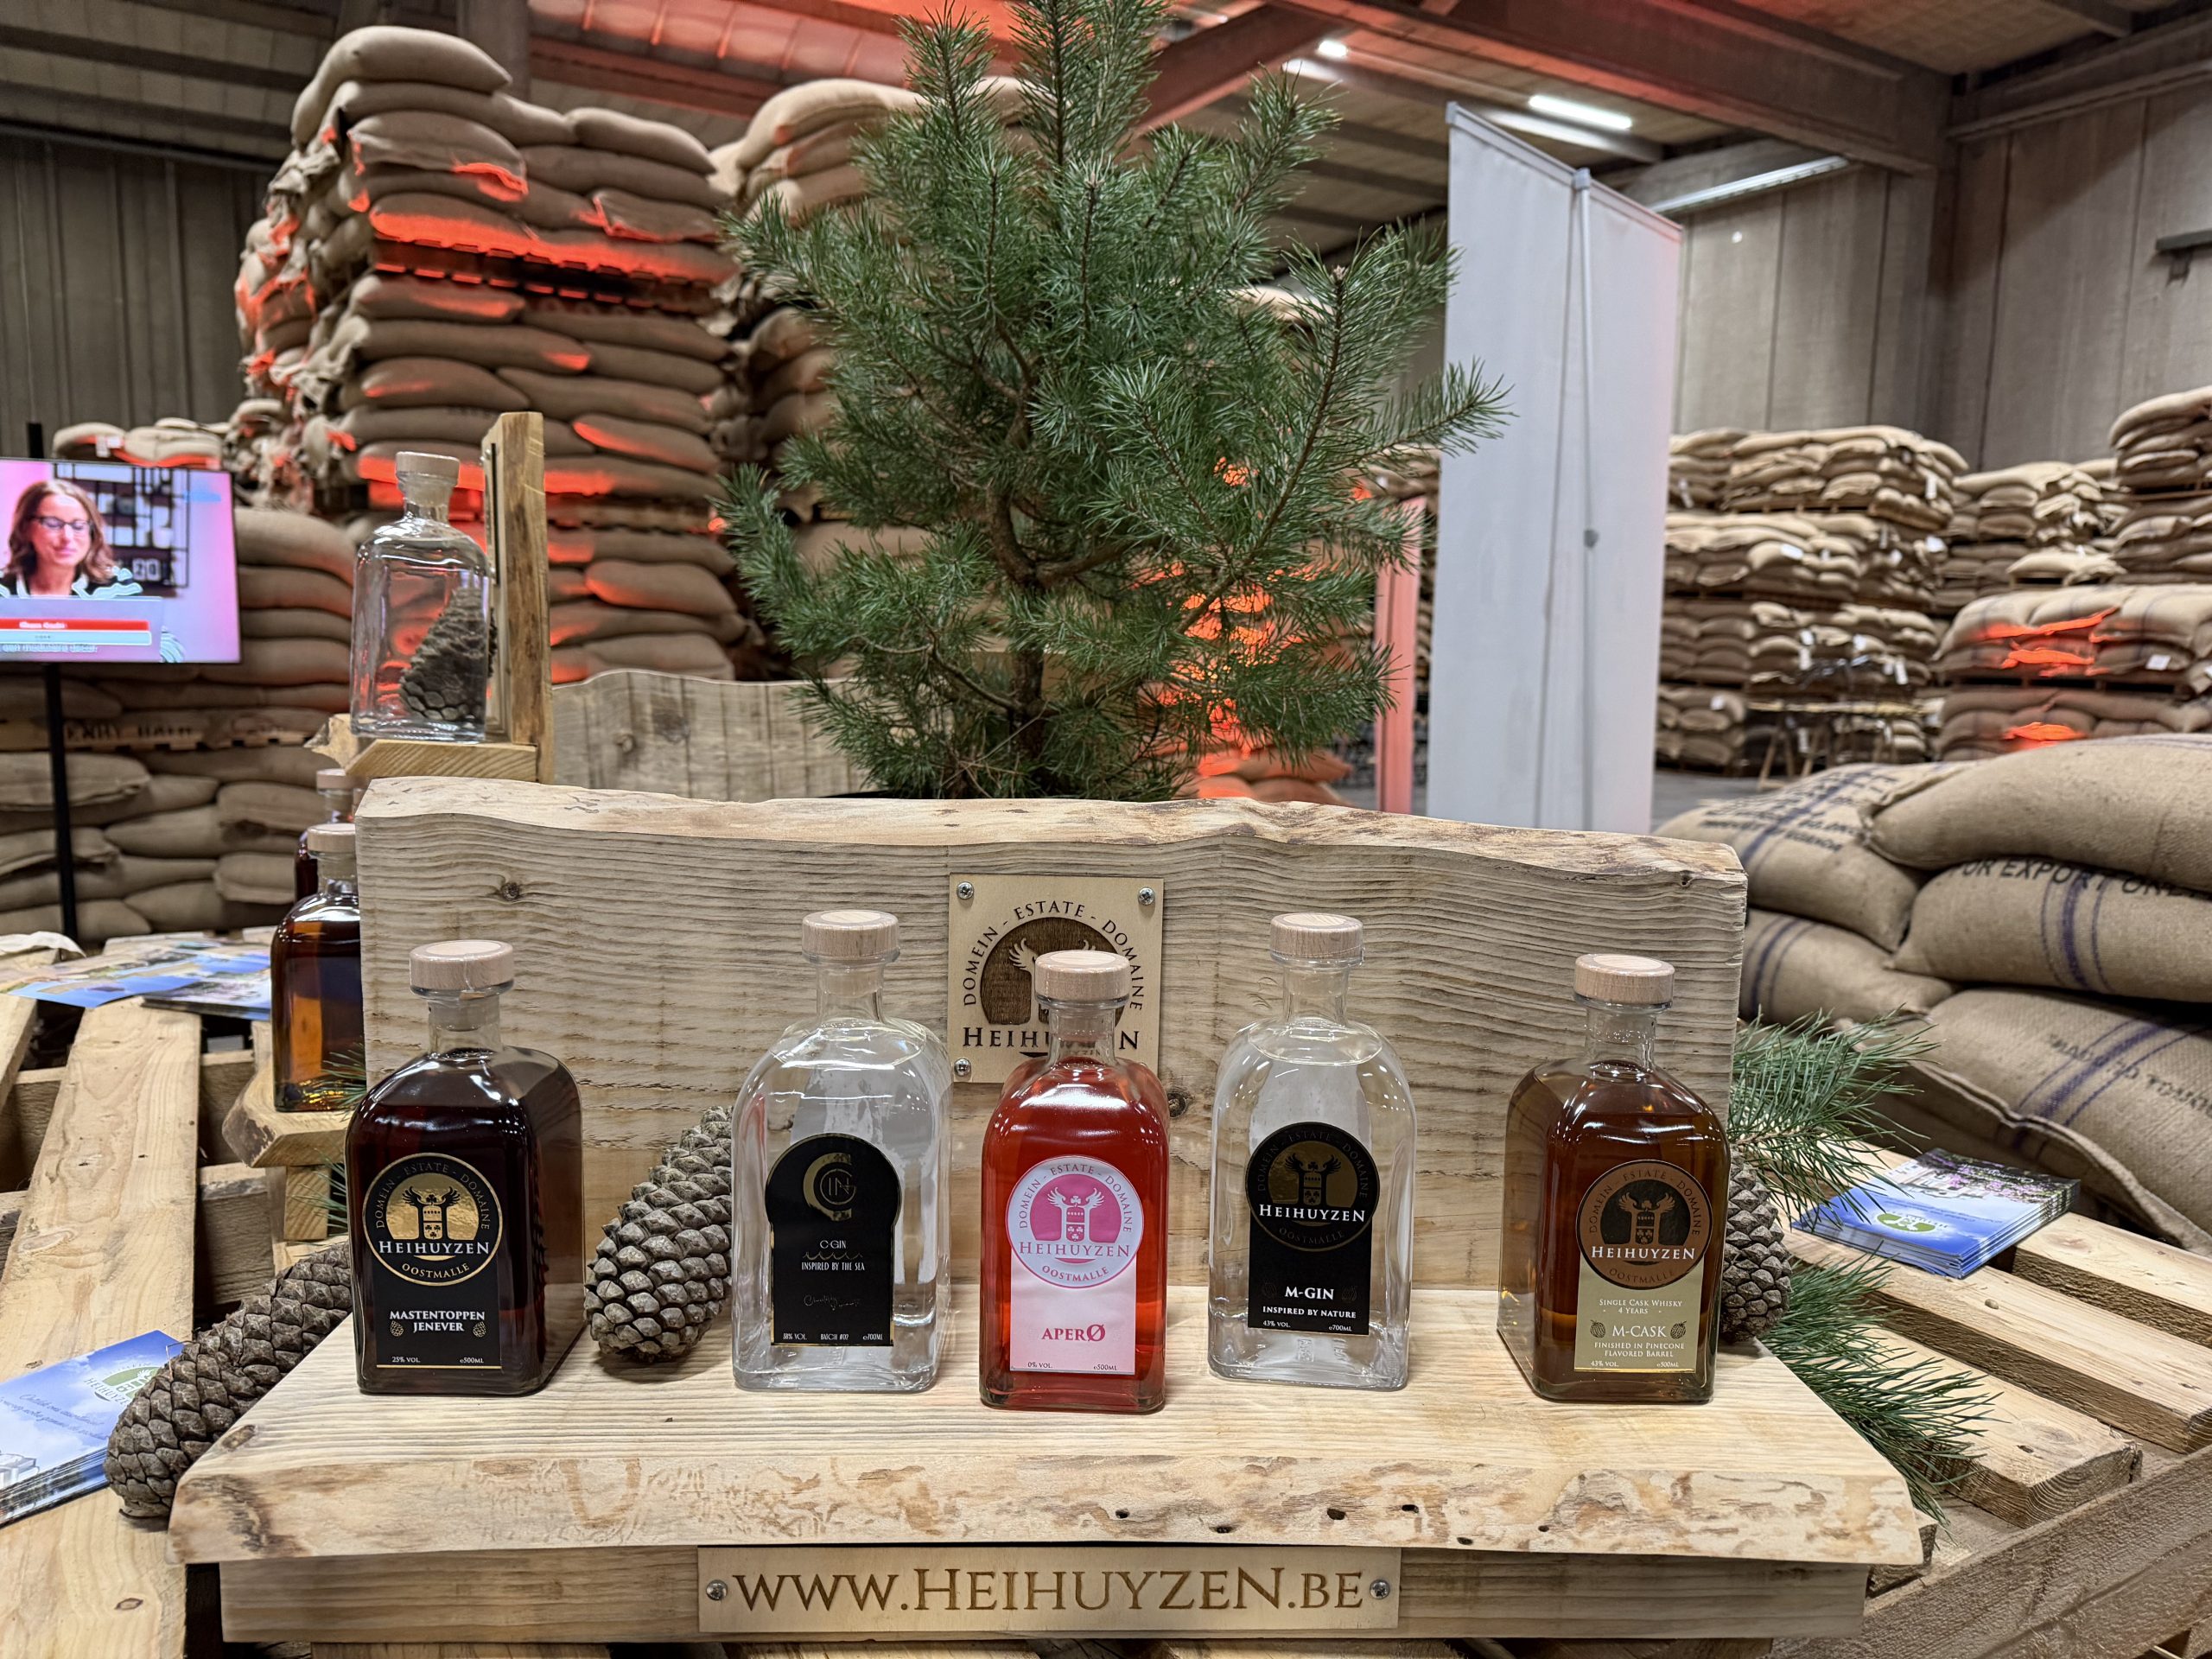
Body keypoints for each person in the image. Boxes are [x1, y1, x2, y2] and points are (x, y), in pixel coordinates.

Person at [3, 479, 143, 598]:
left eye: (78, 526)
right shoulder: (3, 590)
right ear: (26, 529)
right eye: (53, 524)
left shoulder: (117, 586)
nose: (67, 537)